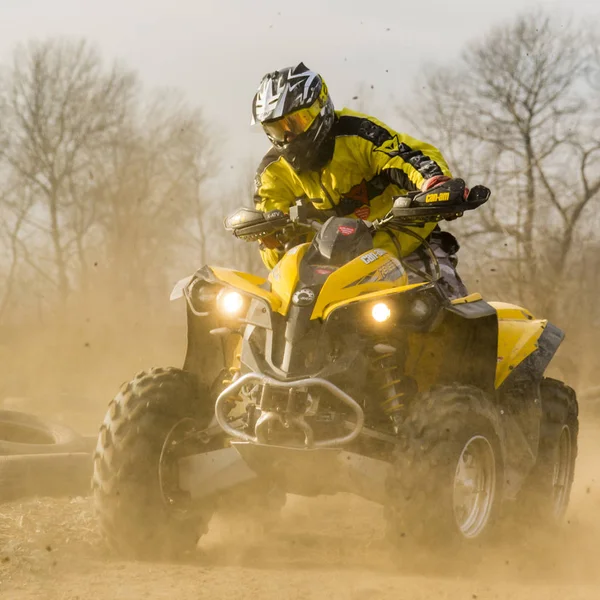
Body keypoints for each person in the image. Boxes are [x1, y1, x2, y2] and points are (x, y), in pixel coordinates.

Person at [251, 62, 468, 299]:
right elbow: (268, 219)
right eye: (277, 129)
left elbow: (403, 156)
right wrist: (271, 239)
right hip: (335, 270)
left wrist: (434, 183)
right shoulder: (273, 171)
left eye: (297, 121)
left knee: (444, 311)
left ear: (321, 107)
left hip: (407, 248)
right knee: (278, 306)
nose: (289, 136)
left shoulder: (359, 133)